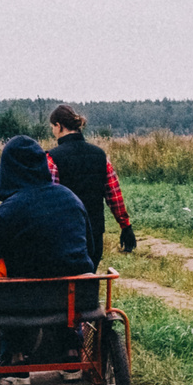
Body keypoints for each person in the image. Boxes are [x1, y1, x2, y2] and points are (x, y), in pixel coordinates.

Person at [0, 135, 90, 278]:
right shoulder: (72, 199)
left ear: (6, 170)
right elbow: (92, 250)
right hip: (80, 295)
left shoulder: (4, 215)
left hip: (25, 298)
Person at [44, 103, 136, 266]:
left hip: (65, 236)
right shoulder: (100, 156)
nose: (53, 132)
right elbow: (114, 196)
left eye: (53, 127)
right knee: (89, 281)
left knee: (68, 286)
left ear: (59, 126)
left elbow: (48, 200)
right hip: (94, 235)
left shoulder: (52, 159)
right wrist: (125, 226)